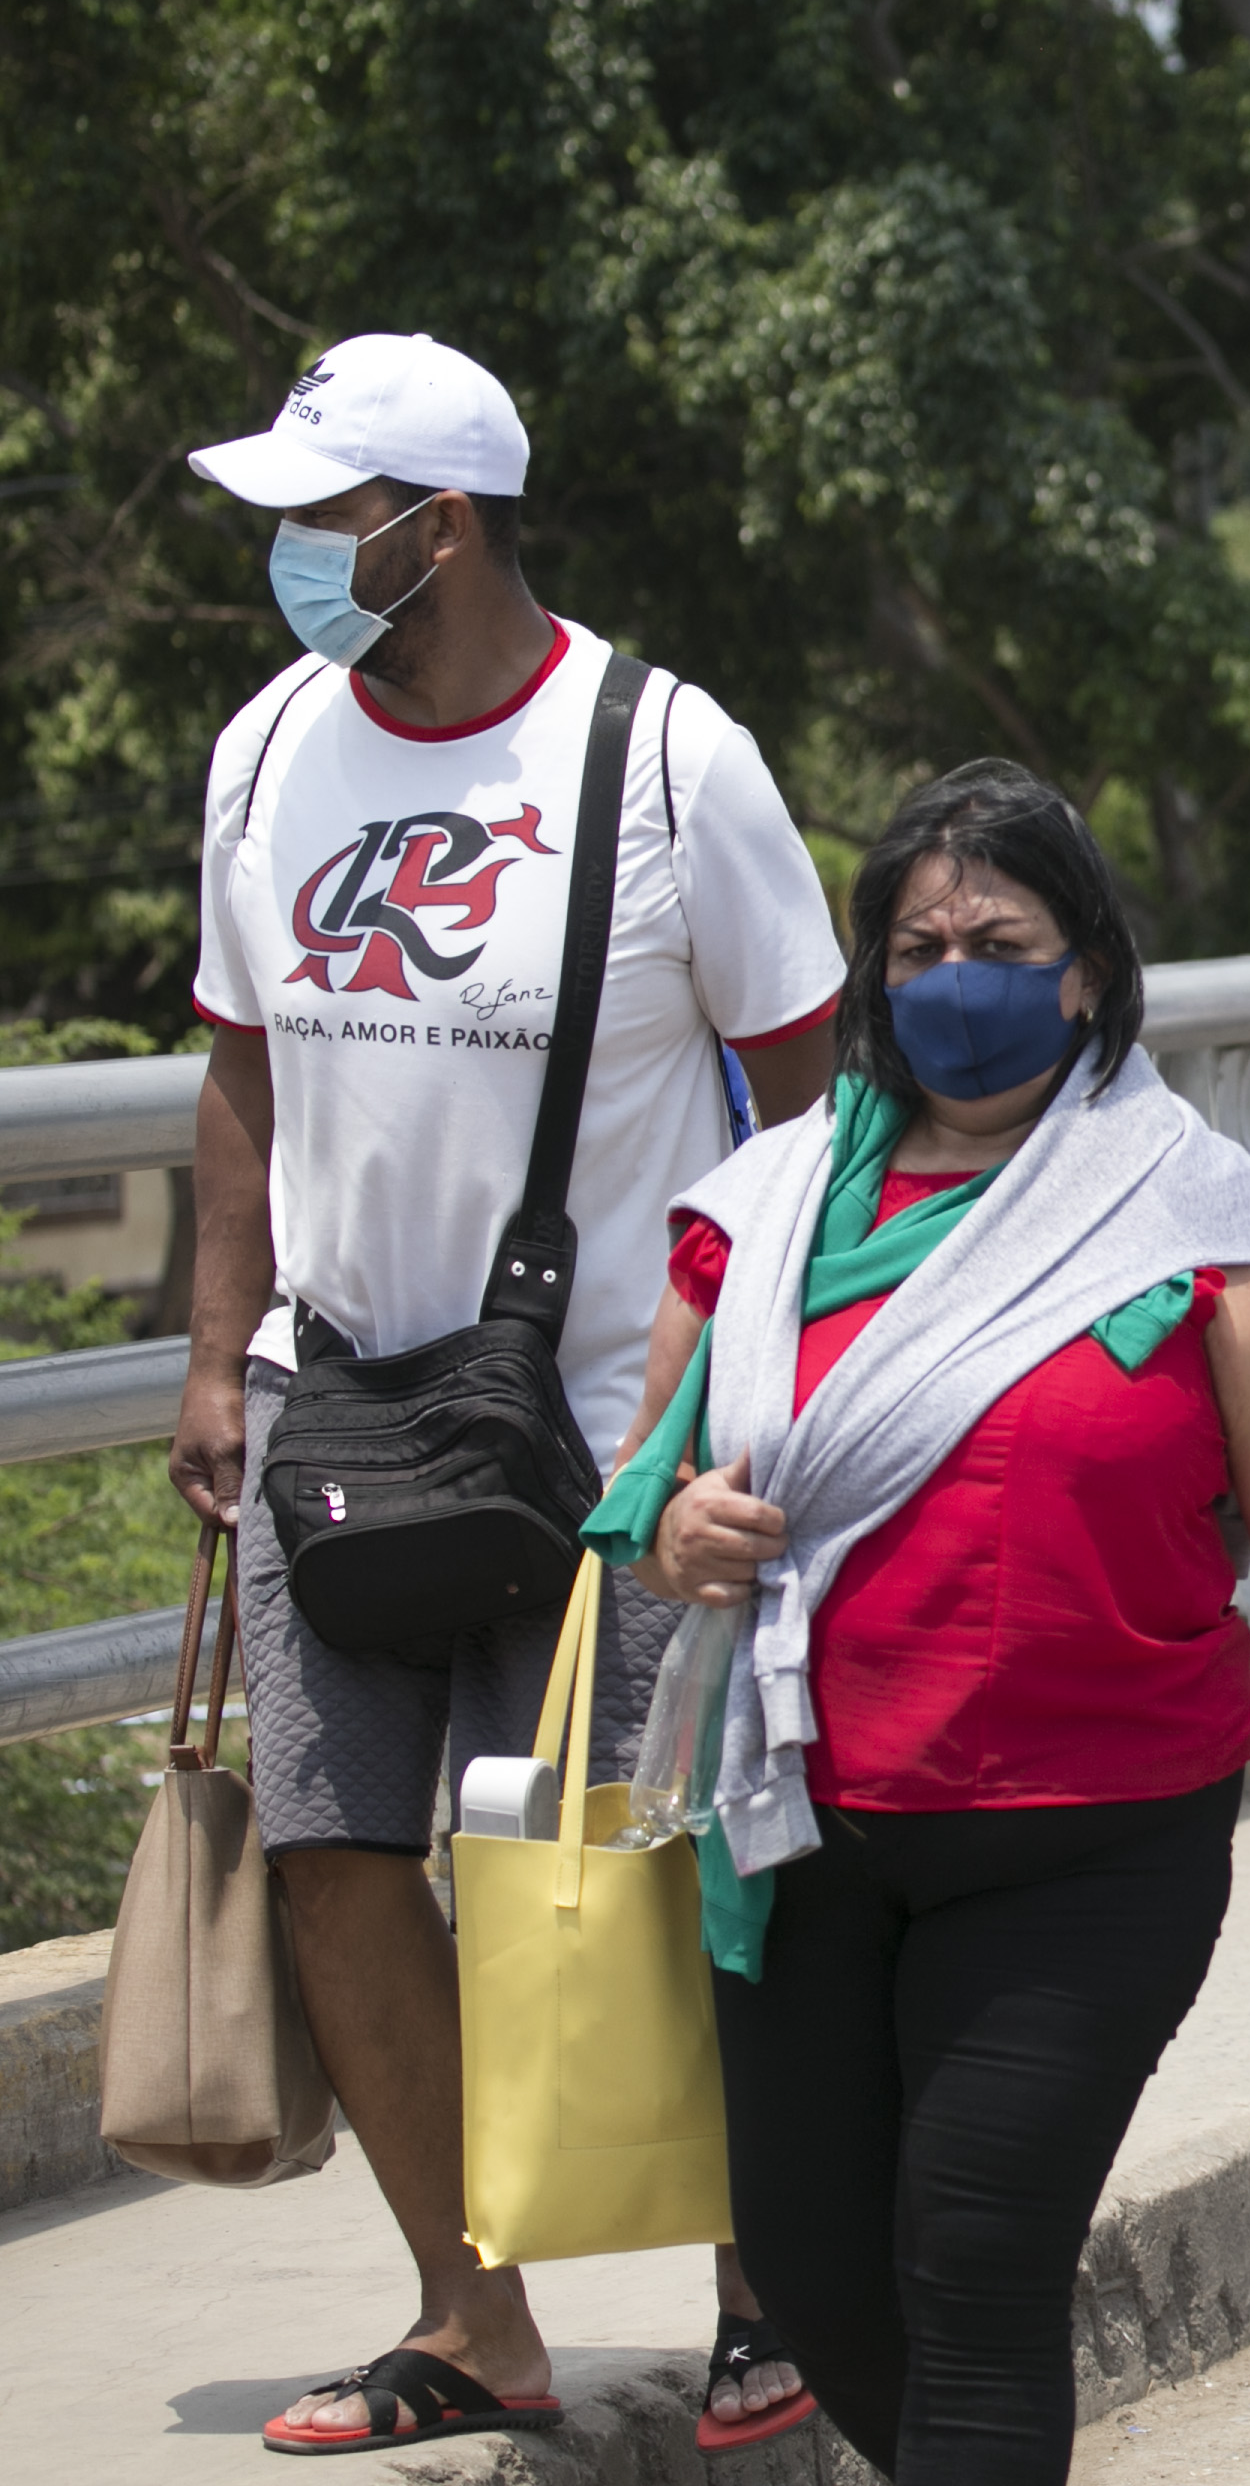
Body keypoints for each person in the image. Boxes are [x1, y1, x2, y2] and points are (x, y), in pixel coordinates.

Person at [594, 760, 1250, 2486]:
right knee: (814, 2275)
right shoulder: (754, 1221)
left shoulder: (1202, 1232)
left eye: (999, 937)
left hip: (1085, 1843)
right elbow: (650, 1491)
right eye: (915, 943)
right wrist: (679, 1532)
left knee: (973, 2266)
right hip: (799, 1827)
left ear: (1087, 971)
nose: (952, 972)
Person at [170, 334, 845, 2457]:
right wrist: (215, 1347)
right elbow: (238, 1064)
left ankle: (767, 2290)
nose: (289, 551)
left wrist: (759, 1387)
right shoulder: (272, 747)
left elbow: (815, 1085)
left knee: (649, 1863)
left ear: (435, 526)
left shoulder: (664, 761)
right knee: (336, 1851)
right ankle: (475, 2321)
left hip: (613, 1430)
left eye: (319, 512)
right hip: (337, 1405)